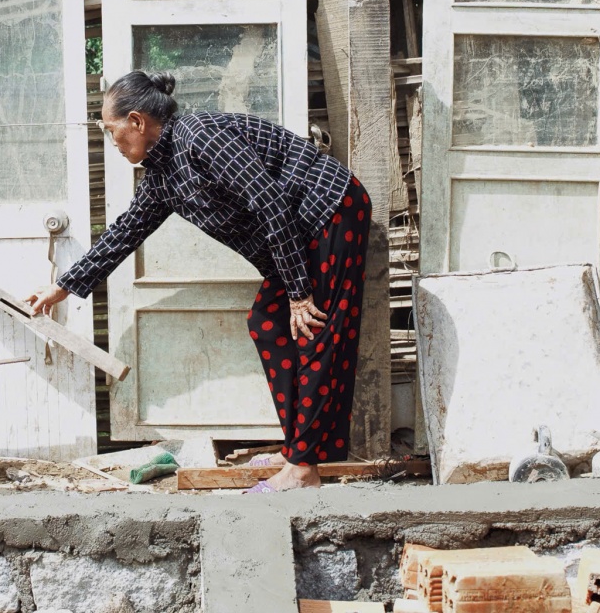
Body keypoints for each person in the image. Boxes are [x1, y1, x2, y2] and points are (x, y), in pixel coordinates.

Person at [25, 70, 370, 493]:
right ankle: (300, 448)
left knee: (312, 332)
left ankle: (303, 469)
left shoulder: (200, 136)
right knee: (268, 324)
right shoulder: (162, 177)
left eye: (111, 130)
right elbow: (124, 232)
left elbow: (270, 202)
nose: (112, 141)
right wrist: (63, 286)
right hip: (297, 234)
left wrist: (299, 293)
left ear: (137, 121)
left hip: (329, 209)